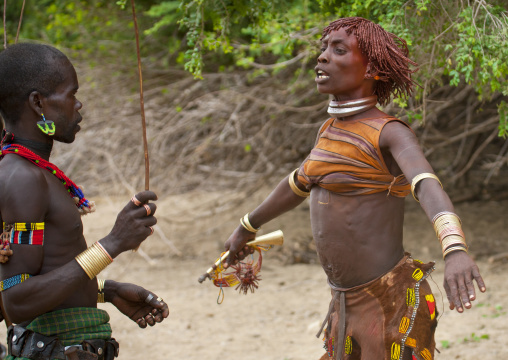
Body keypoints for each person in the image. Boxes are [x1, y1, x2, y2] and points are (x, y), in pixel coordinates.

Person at [222, 17, 486, 360]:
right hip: (344, 303)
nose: (322, 57)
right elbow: (297, 183)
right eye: (323, 49)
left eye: (338, 50)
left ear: (371, 69)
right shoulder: (328, 131)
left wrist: (455, 249)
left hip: (391, 302)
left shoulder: (390, 132)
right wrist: (246, 227)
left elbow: (426, 184)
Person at [0, 43, 169, 360]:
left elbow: (40, 274)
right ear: (38, 102)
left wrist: (106, 290)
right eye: (70, 94)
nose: (78, 105)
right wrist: (113, 243)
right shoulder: (23, 178)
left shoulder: (33, 172)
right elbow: (17, 299)